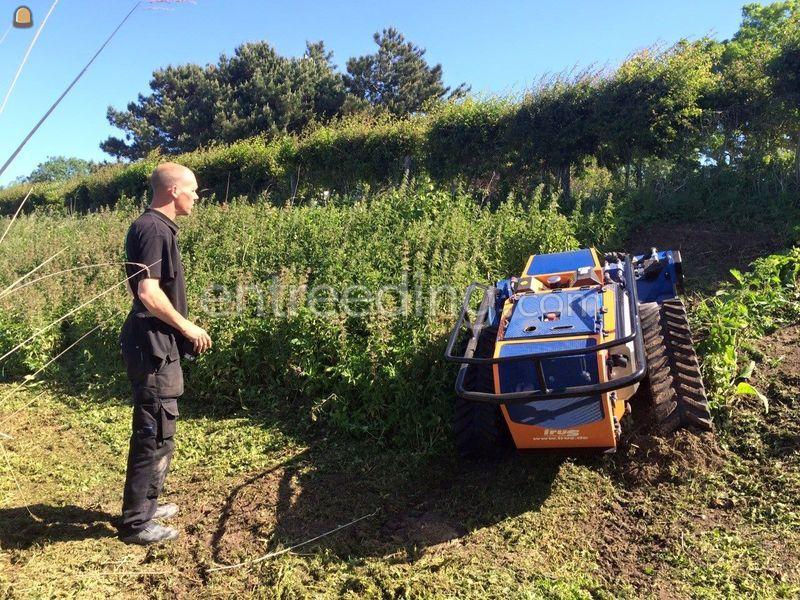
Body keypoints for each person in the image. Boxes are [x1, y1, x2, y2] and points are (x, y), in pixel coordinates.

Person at [117, 162, 212, 545]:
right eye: (193, 190)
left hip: (158, 342)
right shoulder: (153, 229)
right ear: (173, 191)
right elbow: (148, 292)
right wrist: (188, 327)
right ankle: (137, 522)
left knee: (160, 428)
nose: (196, 197)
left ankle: (147, 506)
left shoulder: (155, 228)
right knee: (153, 431)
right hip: (151, 346)